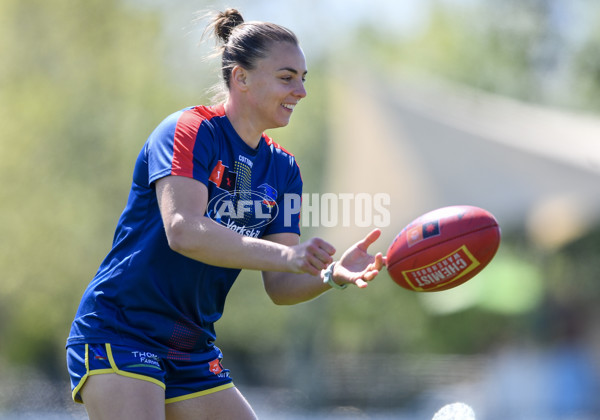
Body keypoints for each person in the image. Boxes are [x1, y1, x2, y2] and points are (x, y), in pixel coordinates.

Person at [66, 8, 385, 420]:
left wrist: (329, 275)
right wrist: (289, 257)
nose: (301, 91)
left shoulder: (286, 171)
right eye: (287, 77)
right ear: (242, 77)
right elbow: (183, 230)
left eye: (304, 79)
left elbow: (279, 286)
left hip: (188, 343)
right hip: (122, 328)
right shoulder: (188, 130)